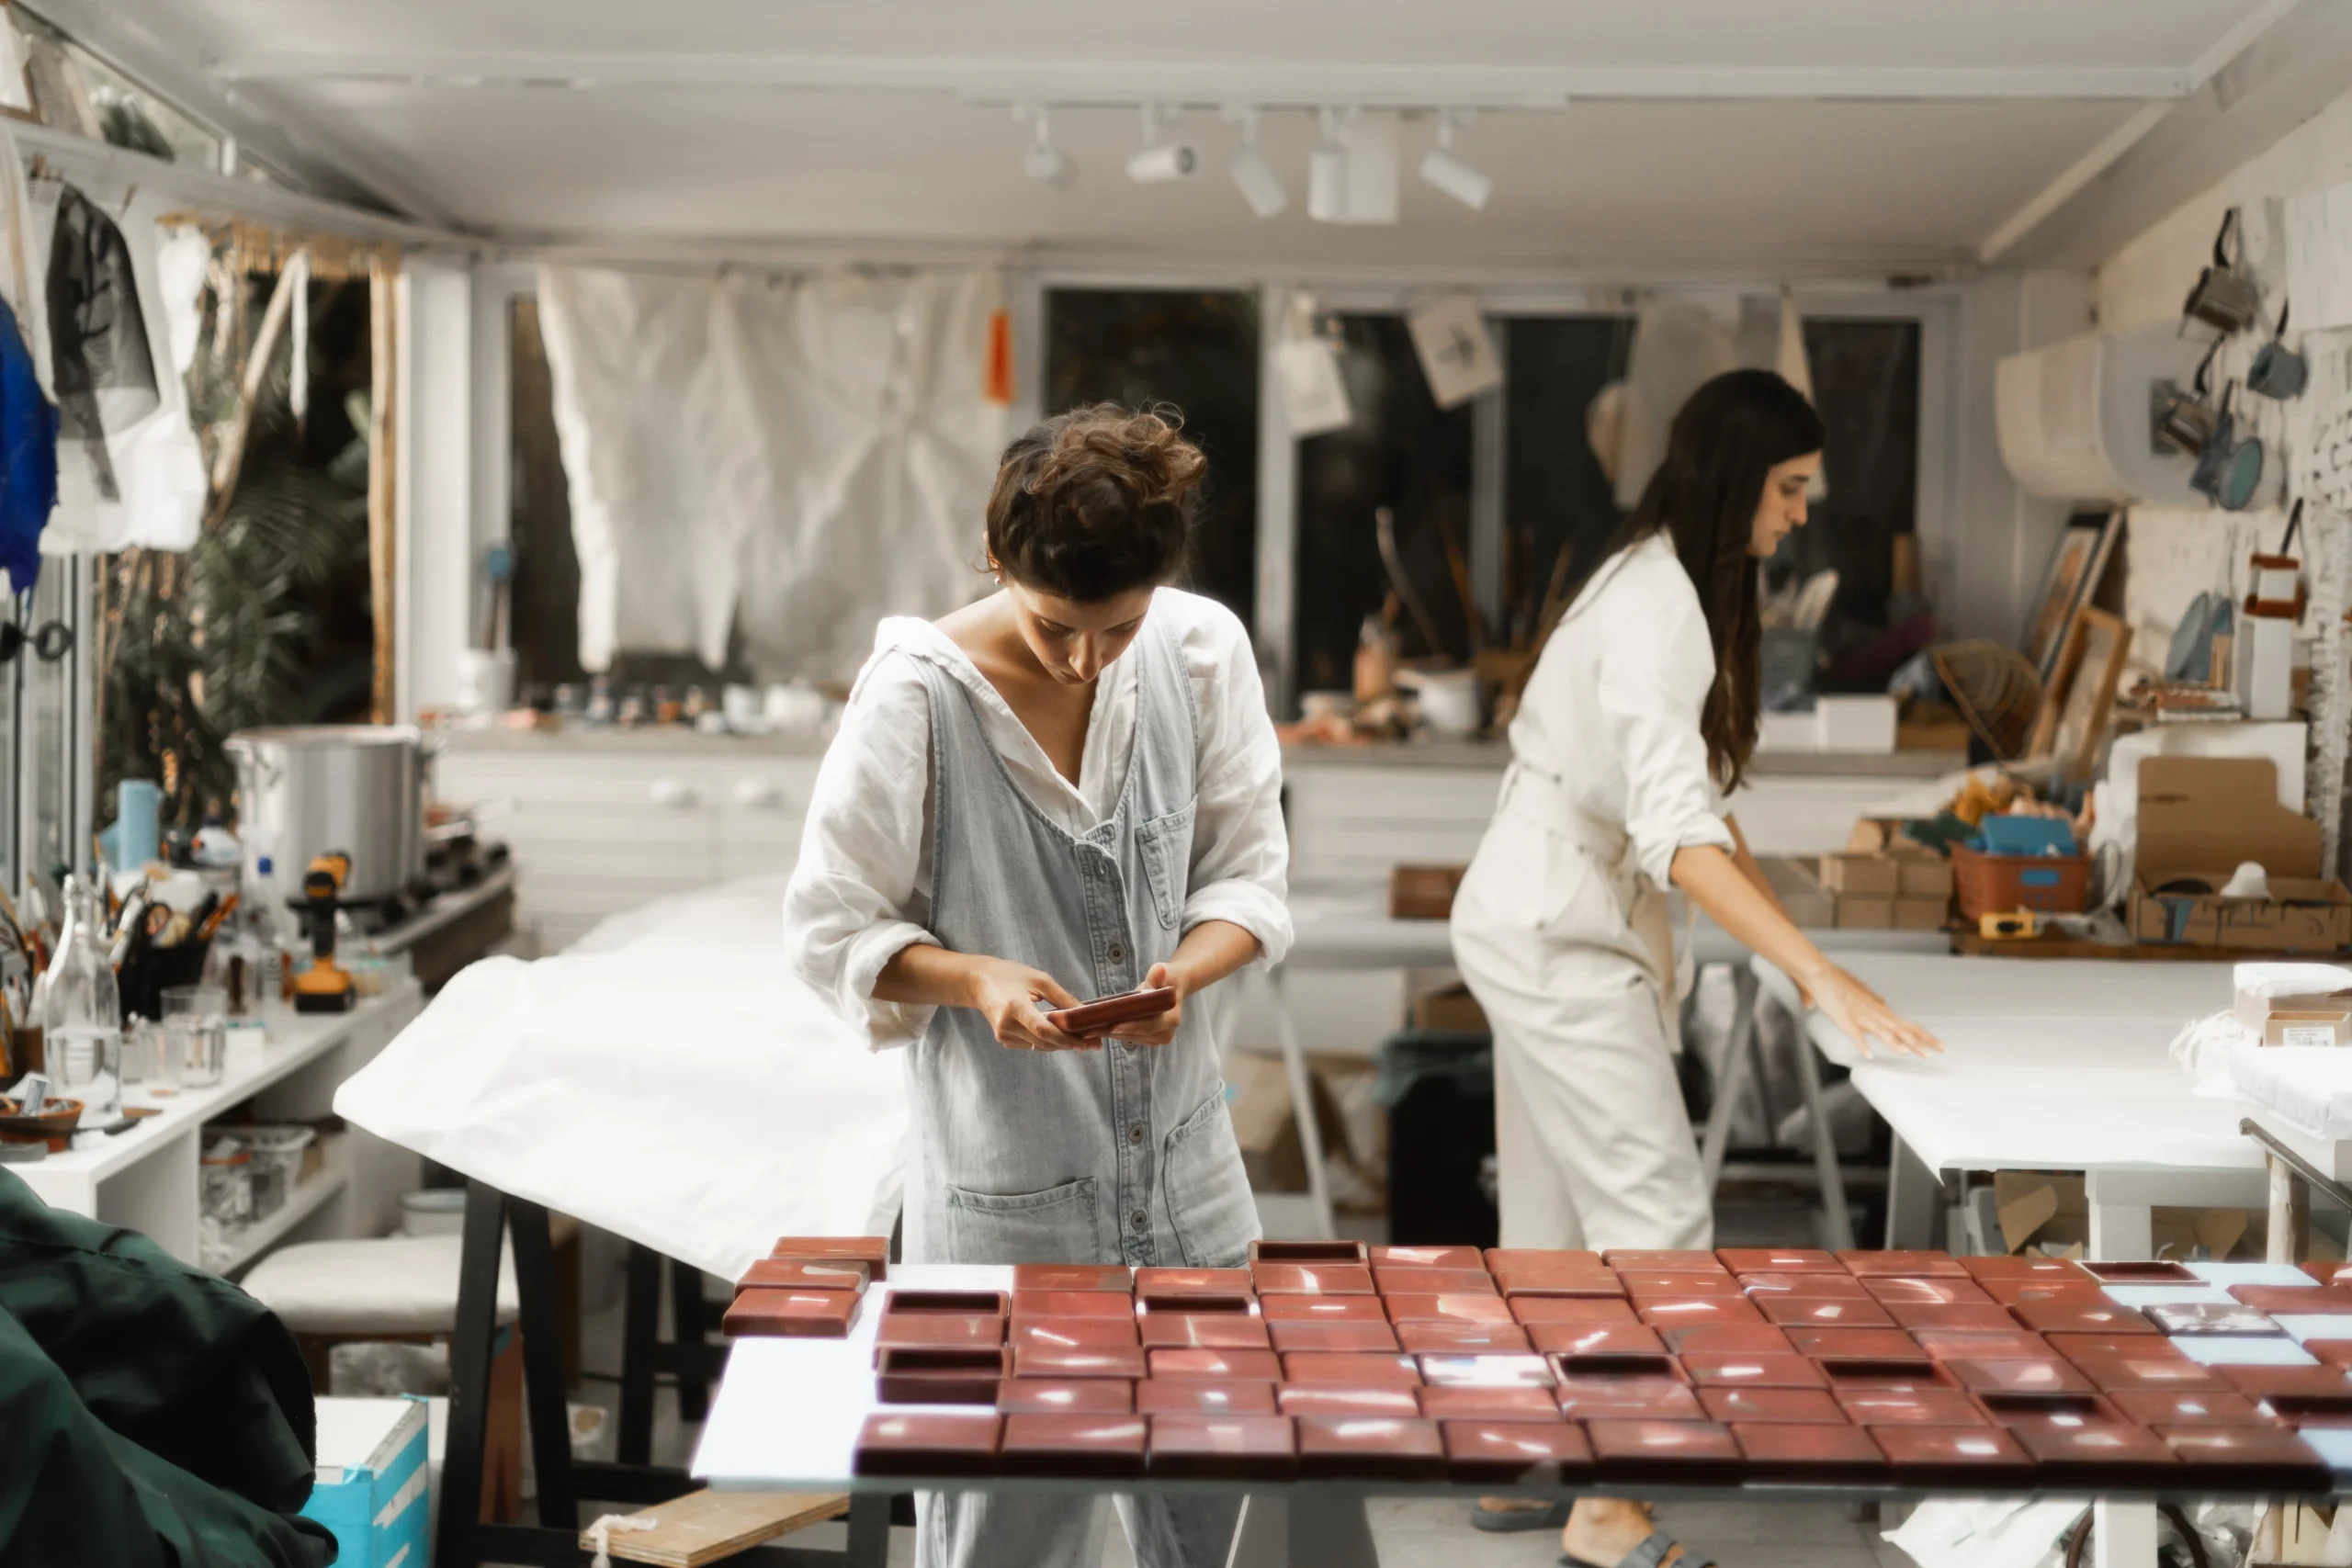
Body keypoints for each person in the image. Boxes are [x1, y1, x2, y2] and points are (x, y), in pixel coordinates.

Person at [1448, 369, 1941, 1568]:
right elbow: (1676, 836)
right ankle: (1608, 1516)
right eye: (1789, 489)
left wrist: (1801, 956)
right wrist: (1818, 971)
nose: (1800, 514)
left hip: (1537, 899)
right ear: (1737, 479)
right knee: (1660, 1216)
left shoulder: (1663, 578)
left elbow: (1703, 814)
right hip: (1559, 915)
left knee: (1559, 1223)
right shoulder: (1662, 601)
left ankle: (1544, 1450)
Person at [787, 403, 1290, 1568]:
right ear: (995, 559)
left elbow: (1248, 879)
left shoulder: (1202, 653)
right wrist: (975, 980)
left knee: (1217, 1521)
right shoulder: (915, 695)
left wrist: (1183, 976)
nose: (1084, 660)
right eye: (1055, 625)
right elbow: (829, 929)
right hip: (1003, 1208)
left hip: (1189, 1195)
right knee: (1009, 1537)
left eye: (1117, 627)